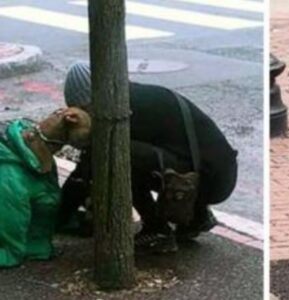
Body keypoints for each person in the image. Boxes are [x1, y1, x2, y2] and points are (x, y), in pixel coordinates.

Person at [59, 62, 238, 252]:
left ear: (92, 100)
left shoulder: (120, 113)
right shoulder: (134, 95)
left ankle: (157, 230)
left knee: (114, 155)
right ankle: (196, 217)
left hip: (209, 182)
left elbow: (88, 167)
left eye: (83, 110)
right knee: (141, 154)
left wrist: (58, 216)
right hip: (219, 174)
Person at [0, 108, 92, 273]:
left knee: (43, 198)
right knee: (13, 251)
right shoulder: (10, 169)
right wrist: (13, 249)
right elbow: (9, 216)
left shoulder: (24, 143)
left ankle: (34, 245)